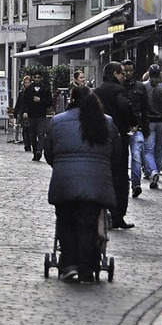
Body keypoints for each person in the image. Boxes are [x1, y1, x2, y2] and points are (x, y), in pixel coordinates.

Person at [44, 86, 118, 283]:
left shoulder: (58, 121)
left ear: (71, 99)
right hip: (95, 183)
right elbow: (115, 154)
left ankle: (69, 264)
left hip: (65, 183)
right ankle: (87, 269)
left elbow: (49, 153)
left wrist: (60, 166)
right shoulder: (107, 123)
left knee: (66, 222)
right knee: (89, 224)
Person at [94, 61, 138, 229]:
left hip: (100, 138)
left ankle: (100, 212)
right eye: (121, 73)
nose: (123, 76)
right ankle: (117, 215)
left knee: (103, 174)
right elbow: (125, 107)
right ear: (115, 74)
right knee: (119, 177)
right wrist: (132, 121)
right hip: (118, 137)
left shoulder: (97, 91)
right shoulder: (118, 90)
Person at [121, 59, 150, 199]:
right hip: (121, 127)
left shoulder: (140, 87)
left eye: (130, 71)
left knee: (136, 156)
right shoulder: (118, 86)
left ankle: (136, 183)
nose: (127, 73)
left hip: (137, 127)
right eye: (125, 70)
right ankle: (125, 181)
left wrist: (145, 128)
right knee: (122, 156)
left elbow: (145, 109)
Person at [144, 64, 162, 187]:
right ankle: (156, 171)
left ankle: (152, 171)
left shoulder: (143, 87)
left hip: (149, 122)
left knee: (148, 150)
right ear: (160, 74)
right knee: (159, 149)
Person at [21, 70, 53, 162]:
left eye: (39, 77)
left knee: (41, 134)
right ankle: (35, 152)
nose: (37, 79)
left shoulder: (45, 89)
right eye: (35, 77)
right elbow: (25, 102)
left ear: (41, 78)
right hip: (31, 115)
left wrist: (40, 100)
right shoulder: (29, 89)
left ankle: (39, 150)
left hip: (41, 115)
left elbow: (49, 102)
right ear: (33, 78)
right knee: (33, 135)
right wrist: (24, 111)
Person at [13, 75, 32, 152]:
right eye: (25, 82)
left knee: (29, 129)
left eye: (28, 82)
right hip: (23, 113)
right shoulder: (22, 92)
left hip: (31, 113)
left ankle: (29, 144)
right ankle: (26, 145)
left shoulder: (32, 91)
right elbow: (19, 103)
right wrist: (16, 112)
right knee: (25, 129)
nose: (27, 84)